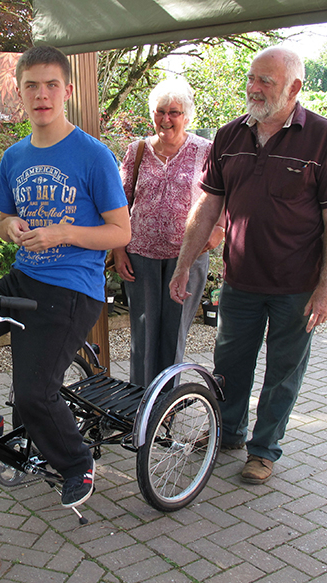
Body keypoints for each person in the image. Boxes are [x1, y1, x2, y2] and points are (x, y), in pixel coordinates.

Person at [0, 46, 131, 508]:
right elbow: (3, 219)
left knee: (34, 392)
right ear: (19, 92)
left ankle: (78, 463)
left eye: (51, 85)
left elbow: (122, 230)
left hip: (71, 291)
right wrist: (10, 226)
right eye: (31, 86)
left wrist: (64, 232)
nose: (42, 95)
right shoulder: (14, 156)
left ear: (67, 91)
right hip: (22, 280)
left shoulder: (93, 155)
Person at [169, 46, 327, 484]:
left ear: (295, 88)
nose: (253, 87)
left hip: (297, 286)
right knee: (230, 365)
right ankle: (228, 432)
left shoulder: (325, 138)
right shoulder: (229, 137)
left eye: (265, 81)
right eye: (252, 78)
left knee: (283, 371)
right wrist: (183, 265)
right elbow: (207, 209)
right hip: (241, 282)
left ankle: (264, 450)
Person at [112, 79, 222, 387]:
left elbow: (223, 196)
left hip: (186, 257)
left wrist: (219, 229)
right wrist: (119, 250)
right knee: (142, 335)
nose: (166, 119)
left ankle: (166, 411)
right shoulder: (137, 151)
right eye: (160, 111)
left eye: (174, 112)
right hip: (140, 255)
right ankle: (139, 405)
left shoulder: (206, 151)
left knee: (174, 334)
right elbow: (120, 202)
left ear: (187, 116)